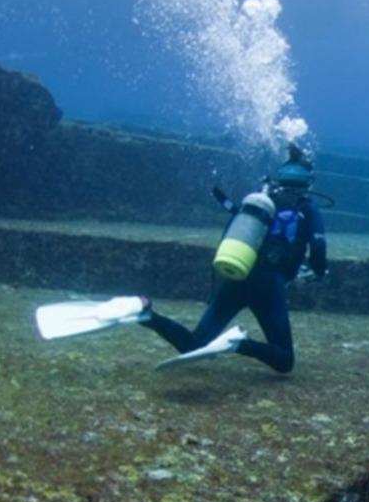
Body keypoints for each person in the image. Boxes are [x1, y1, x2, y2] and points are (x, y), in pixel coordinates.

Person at [138, 143, 328, 373]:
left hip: (234, 271)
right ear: (309, 182)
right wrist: (318, 271)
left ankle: (146, 315)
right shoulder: (307, 208)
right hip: (267, 284)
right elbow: (317, 249)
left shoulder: (260, 201)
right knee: (284, 361)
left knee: (194, 344)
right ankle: (238, 343)